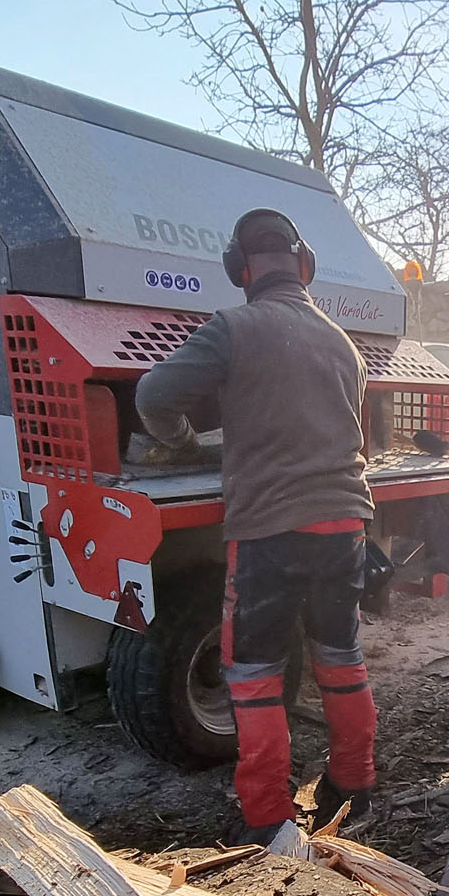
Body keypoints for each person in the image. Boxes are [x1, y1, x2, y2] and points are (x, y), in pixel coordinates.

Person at [133, 209, 377, 845]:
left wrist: (185, 444)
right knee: (341, 657)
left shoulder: (232, 327)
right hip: (345, 523)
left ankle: (269, 817)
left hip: (270, 530)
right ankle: (354, 784)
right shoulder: (344, 343)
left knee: (254, 671)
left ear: (240, 272)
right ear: (305, 267)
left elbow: (155, 396)